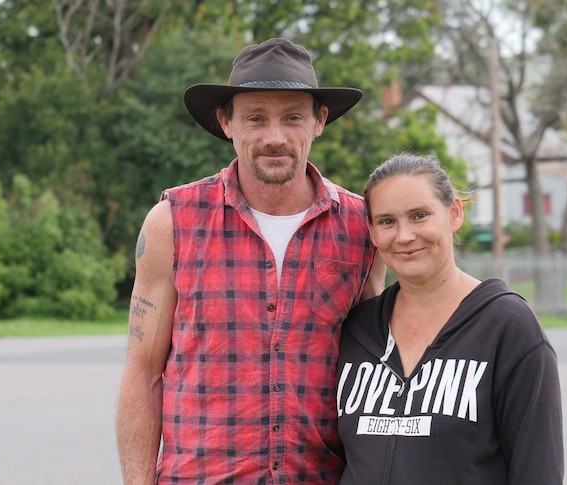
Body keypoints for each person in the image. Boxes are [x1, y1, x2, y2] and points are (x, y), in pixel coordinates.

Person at [115, 38, 385, 485]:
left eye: (293, 117)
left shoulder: (362, 229)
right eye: (255, 118)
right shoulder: (172, 222)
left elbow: (376, 370)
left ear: (319, 121)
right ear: (226, 122)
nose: (274, 137)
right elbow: (143, 375)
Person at [336, 153, 564, 484]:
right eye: (387, 221)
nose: (404, 236)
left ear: (454, 212)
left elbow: (537, 471)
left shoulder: (507, 326)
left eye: (419, 216)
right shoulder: (358, 330)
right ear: (371, 230)